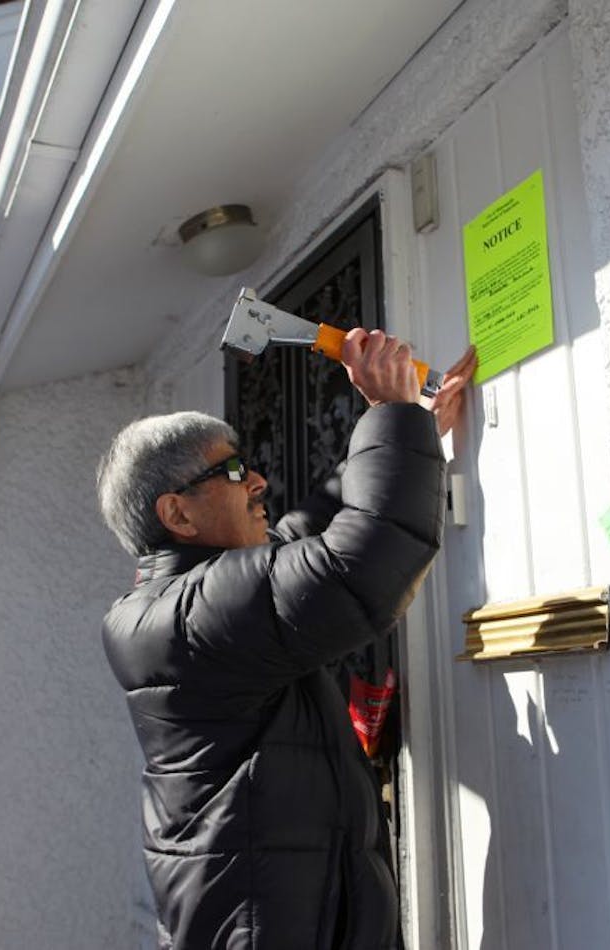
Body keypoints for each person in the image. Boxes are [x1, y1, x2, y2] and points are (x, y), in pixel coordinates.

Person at [97, 329, 477, 949]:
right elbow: (358, 569)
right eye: (233, 470)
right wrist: (392, 415)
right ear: (178, 514)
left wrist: (413, 428)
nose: (258, 483)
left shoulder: (182, 602)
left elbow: (301, 534)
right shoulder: (187, 618)